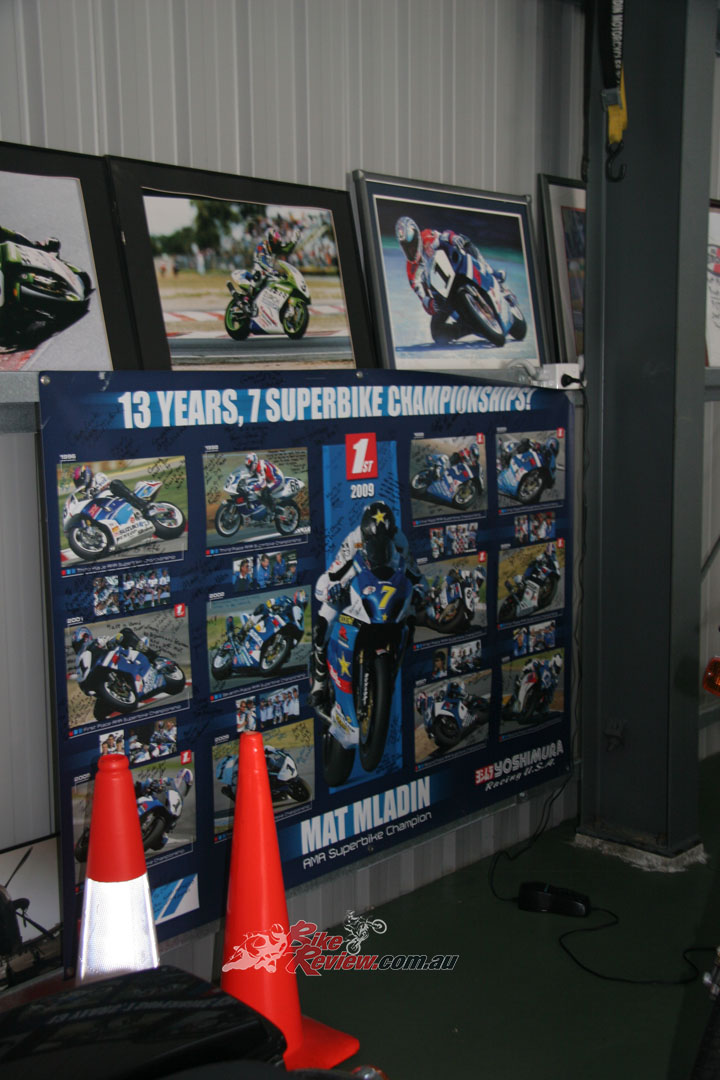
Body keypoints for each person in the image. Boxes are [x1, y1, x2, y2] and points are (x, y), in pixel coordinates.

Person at [309, 501, 423, 706]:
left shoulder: (399, 540)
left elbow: (415, 573)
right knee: (324, 622)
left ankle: (392, 667)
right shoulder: (354, 540)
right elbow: (332, 574)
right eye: (373, 539)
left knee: (412, 618)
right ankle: (319, 679)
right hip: (356, 586)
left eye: (385, 538)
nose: (379, 543)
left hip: (387, 590)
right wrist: (330, 589)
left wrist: (421, 591)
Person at [395, 215, 507, 321]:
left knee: (465, 242)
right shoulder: (411, 271)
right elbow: (422, 297)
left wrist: (453, 238)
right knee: (436, 329)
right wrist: (430, 304)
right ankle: (464, 326)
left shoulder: (427, 236)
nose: (412, 250)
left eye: (412, 245)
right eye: (407, 248)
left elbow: (444, 235)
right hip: (442, 293)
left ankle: (491, 272)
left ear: (417, 237)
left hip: (453, 268)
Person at [240, 227, 298, 315]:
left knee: (282, 280)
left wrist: (294, 240)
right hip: (259, 269)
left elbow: (286, 249)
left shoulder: (274, 248)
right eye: (275, 241)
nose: (276, 243)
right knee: (259, 276)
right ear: (269, 238)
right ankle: (246, 299)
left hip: (270, 271)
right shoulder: (261, 246)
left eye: (277, 241)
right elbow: (261, 260)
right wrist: (269, 269)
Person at [71, 465, 152, 518]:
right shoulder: (86, 494)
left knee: (115, 483)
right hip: (106, 508)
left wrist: (96, 492)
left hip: (115, 497)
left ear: (86, 475)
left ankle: (142, 503)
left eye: (79, 481)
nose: (79, 483)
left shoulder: (98, 477)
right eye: (77, 482)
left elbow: (107, 484)